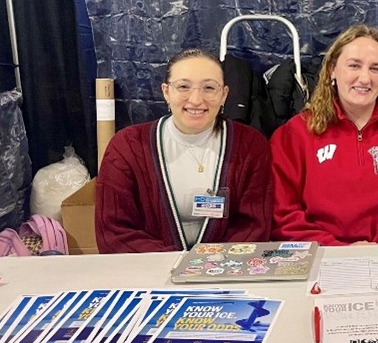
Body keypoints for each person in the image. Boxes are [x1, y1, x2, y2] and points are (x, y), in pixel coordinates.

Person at [270, 24, 378, 245]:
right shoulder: (294, 136)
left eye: (375, 69)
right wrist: (335, 250)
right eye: (354, 65)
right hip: (320, 258)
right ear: (332, 70)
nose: (365, 79)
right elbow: (282, 213)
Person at [96, 49, 272, 252]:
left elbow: (254, 226)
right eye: (183, 87)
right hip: (150, 273)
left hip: (225, 271)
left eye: (209, 88)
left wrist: (206, 266)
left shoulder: (251, 146)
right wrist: (176, 266)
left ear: (224, 95)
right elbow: (113, 232)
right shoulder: (127, 146)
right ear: (166, 92)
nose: (196, 100)